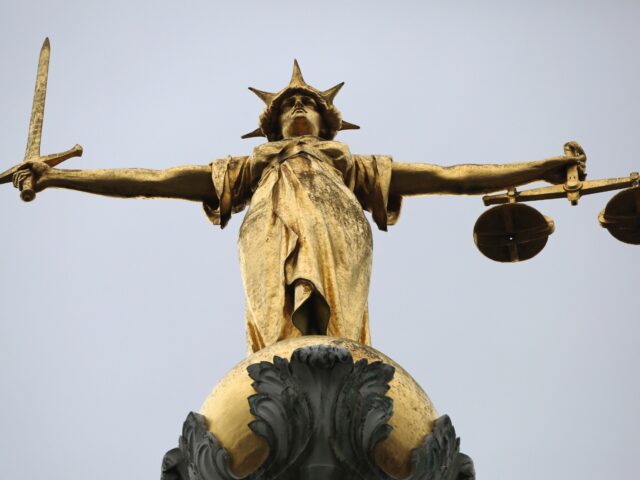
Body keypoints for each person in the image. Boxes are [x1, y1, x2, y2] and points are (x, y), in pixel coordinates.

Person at [11, 61, 585, 353]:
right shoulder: (251, 169)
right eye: (292, 105)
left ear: (330, 120)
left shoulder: (349, 165)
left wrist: (538, 168)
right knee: (280, 343)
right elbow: (157, 180)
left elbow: (450, 176)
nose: (302, 109)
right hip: (265, 231)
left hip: (340, 231)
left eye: (311, 103)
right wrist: (65, 179)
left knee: (336, 339)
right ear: (272, 123)